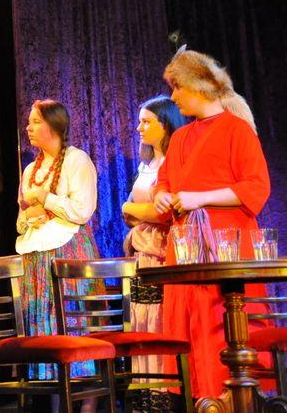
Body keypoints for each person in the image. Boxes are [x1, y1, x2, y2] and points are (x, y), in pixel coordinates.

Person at [153, 50, 272, 398]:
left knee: (221, 325)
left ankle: (233, 400)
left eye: (178, 87)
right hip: (187, 247)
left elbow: (256, 187)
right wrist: (162, 195)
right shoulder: (180, 137)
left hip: (225, 245)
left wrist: (199, 198)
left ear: (199, 86)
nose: (174, 96)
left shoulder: (237, 130)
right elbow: (165, 181)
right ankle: (199, 399)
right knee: (190, 328)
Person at [15, 99, 101, 412]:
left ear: (54, 126)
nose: (28, 127)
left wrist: (46, 199)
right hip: (37, 256)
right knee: (45, 326)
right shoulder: (30, 170)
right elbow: (21, 220)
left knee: (74, 321)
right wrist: (29, 216)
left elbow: (81, 210)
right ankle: (53, 401)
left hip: (69, 251)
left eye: (35, 121)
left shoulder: (77, 160)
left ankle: (88, 399)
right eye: (29, 121)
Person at [121, 95, 188, 400]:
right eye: (140, 121)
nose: (139, 128)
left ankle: (165, 392)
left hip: (162, 253)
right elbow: (133, 212)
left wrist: (131, 208)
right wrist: (133, 211)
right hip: (142, 253)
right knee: (142, 321)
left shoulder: (174, 161)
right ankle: (146, 392)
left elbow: (164, 213)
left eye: (146, 122)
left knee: (160, 321)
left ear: (166, 124)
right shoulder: (147, 163)